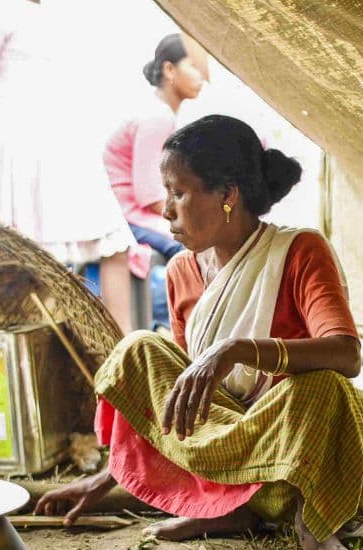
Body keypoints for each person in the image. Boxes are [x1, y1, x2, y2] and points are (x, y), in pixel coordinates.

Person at [37, 114, 363, 550]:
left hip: (306, 468)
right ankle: (230, 509)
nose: (165, 209)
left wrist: (238, 349)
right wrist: (107, 480)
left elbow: (346, 355)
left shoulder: (300, 251)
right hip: (236, 464)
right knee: (140, 349)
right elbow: (187, 408)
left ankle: (316, 522)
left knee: (318, 387)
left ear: (228, 196)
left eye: (178, 192)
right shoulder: (182, 273)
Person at [0, 0, 135, 333]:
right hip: (21, 145)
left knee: (111, 246)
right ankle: (42, 359)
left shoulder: (55, 16)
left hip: (63, 142)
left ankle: (128, 357)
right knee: (32, 259)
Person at [104, 33, 205, 329]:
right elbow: (149, 194)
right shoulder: (156, 117)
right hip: (126, 215)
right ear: (169, 69)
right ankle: (185, 328)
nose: (202, 77)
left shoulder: (163, 116)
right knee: (194, 245)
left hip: (134, 213)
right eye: (194, 67)